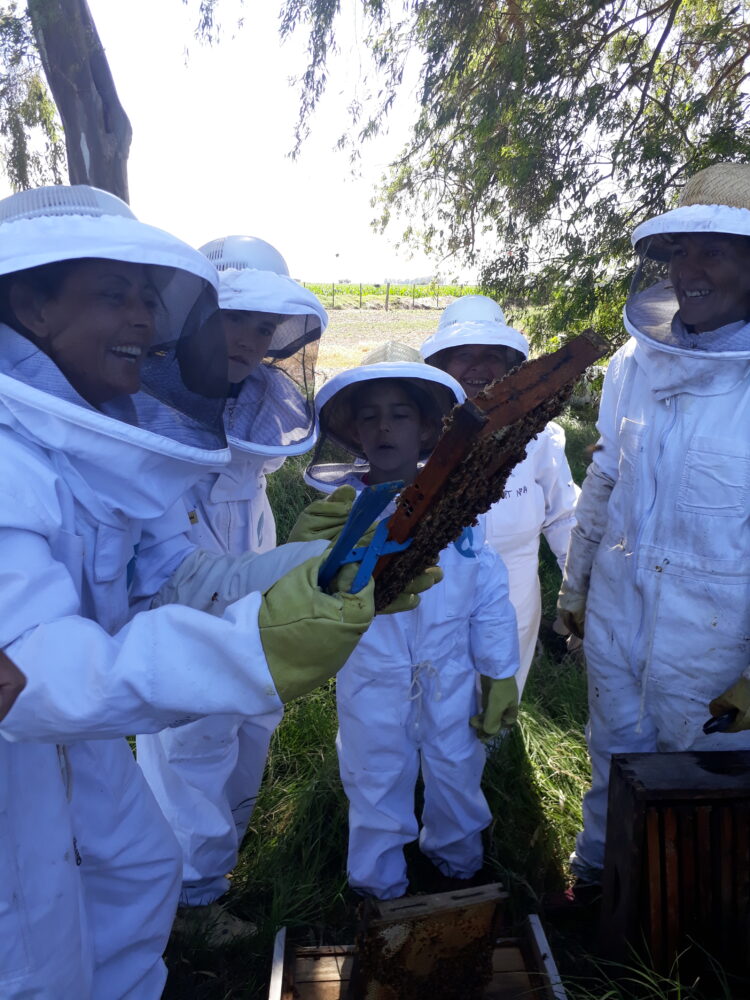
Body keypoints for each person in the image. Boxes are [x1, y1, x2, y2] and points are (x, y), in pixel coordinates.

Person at [0, 185, 433, 999]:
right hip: (16, 763)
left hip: (78, 745)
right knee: (36, 958)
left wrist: (329, 563)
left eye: (146, 298)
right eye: (111, 294)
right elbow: (28, 676)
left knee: (136, 875)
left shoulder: (102, 445)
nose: (142, 321)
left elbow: (186, 579)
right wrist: (255, 648)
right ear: (30, 303)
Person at [556, 162, 750, 891]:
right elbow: (605, 481)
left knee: (710, 793)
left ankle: (691, 927)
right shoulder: (631, 364)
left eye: (714, 251)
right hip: (618, 613)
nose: (689, 269)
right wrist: (574, 588)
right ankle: (598, 879)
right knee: (611, 754)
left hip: (718, 641)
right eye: (679, 251)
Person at [137, 235, 329, 935]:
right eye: (234, 317)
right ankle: (186, 907)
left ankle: (210, 880)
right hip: (182, 620)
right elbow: (176, 574)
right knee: (192, 751)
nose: (249, 338)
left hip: (250, 612)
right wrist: (310, 566)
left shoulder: (252, 410)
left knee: (249, 735)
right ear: (192, 315)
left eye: (262, 325)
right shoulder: (147, 416)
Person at [302, 342, 520, 899]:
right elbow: (313, 598)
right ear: (351, 431)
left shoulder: (460, 509)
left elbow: (488, 591)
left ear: (428, 429)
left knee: (457, 773)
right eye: (369, 416)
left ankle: (460, 866)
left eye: (400, 414)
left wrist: (499, 673)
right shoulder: (338, 515)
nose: (384, 428)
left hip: (449, 673)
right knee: (375, 780)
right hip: (371, 677)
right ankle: (378, 887)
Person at [421, 296, 580, 694]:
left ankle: (495, 750)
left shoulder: (541, 437)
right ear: (440, 366)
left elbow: (564, 516)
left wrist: (579, 586)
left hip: (515, 586)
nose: (478, 367)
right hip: (435, 587)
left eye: (492, 355)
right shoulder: (421, 435)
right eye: (462, 355)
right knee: (436, 692)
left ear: (512, 365)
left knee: (501, 691)